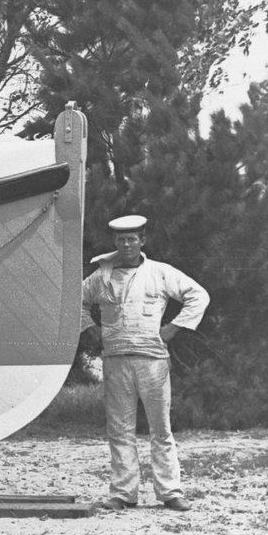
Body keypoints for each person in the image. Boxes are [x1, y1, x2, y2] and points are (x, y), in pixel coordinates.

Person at [79, 215, 209, 512]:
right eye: (121, 239)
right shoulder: (102, 276)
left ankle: (170, 492)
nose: (126, 244)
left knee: (160, 428)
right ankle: (123, 493)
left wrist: (174, 328)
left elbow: (198, 295)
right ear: (115, 242)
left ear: (142, 241)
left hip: (152, 359)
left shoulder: (160, 273)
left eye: (132, 239)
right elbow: (77, 301)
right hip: (115, 360)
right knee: (120, 428)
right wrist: (90, 329)